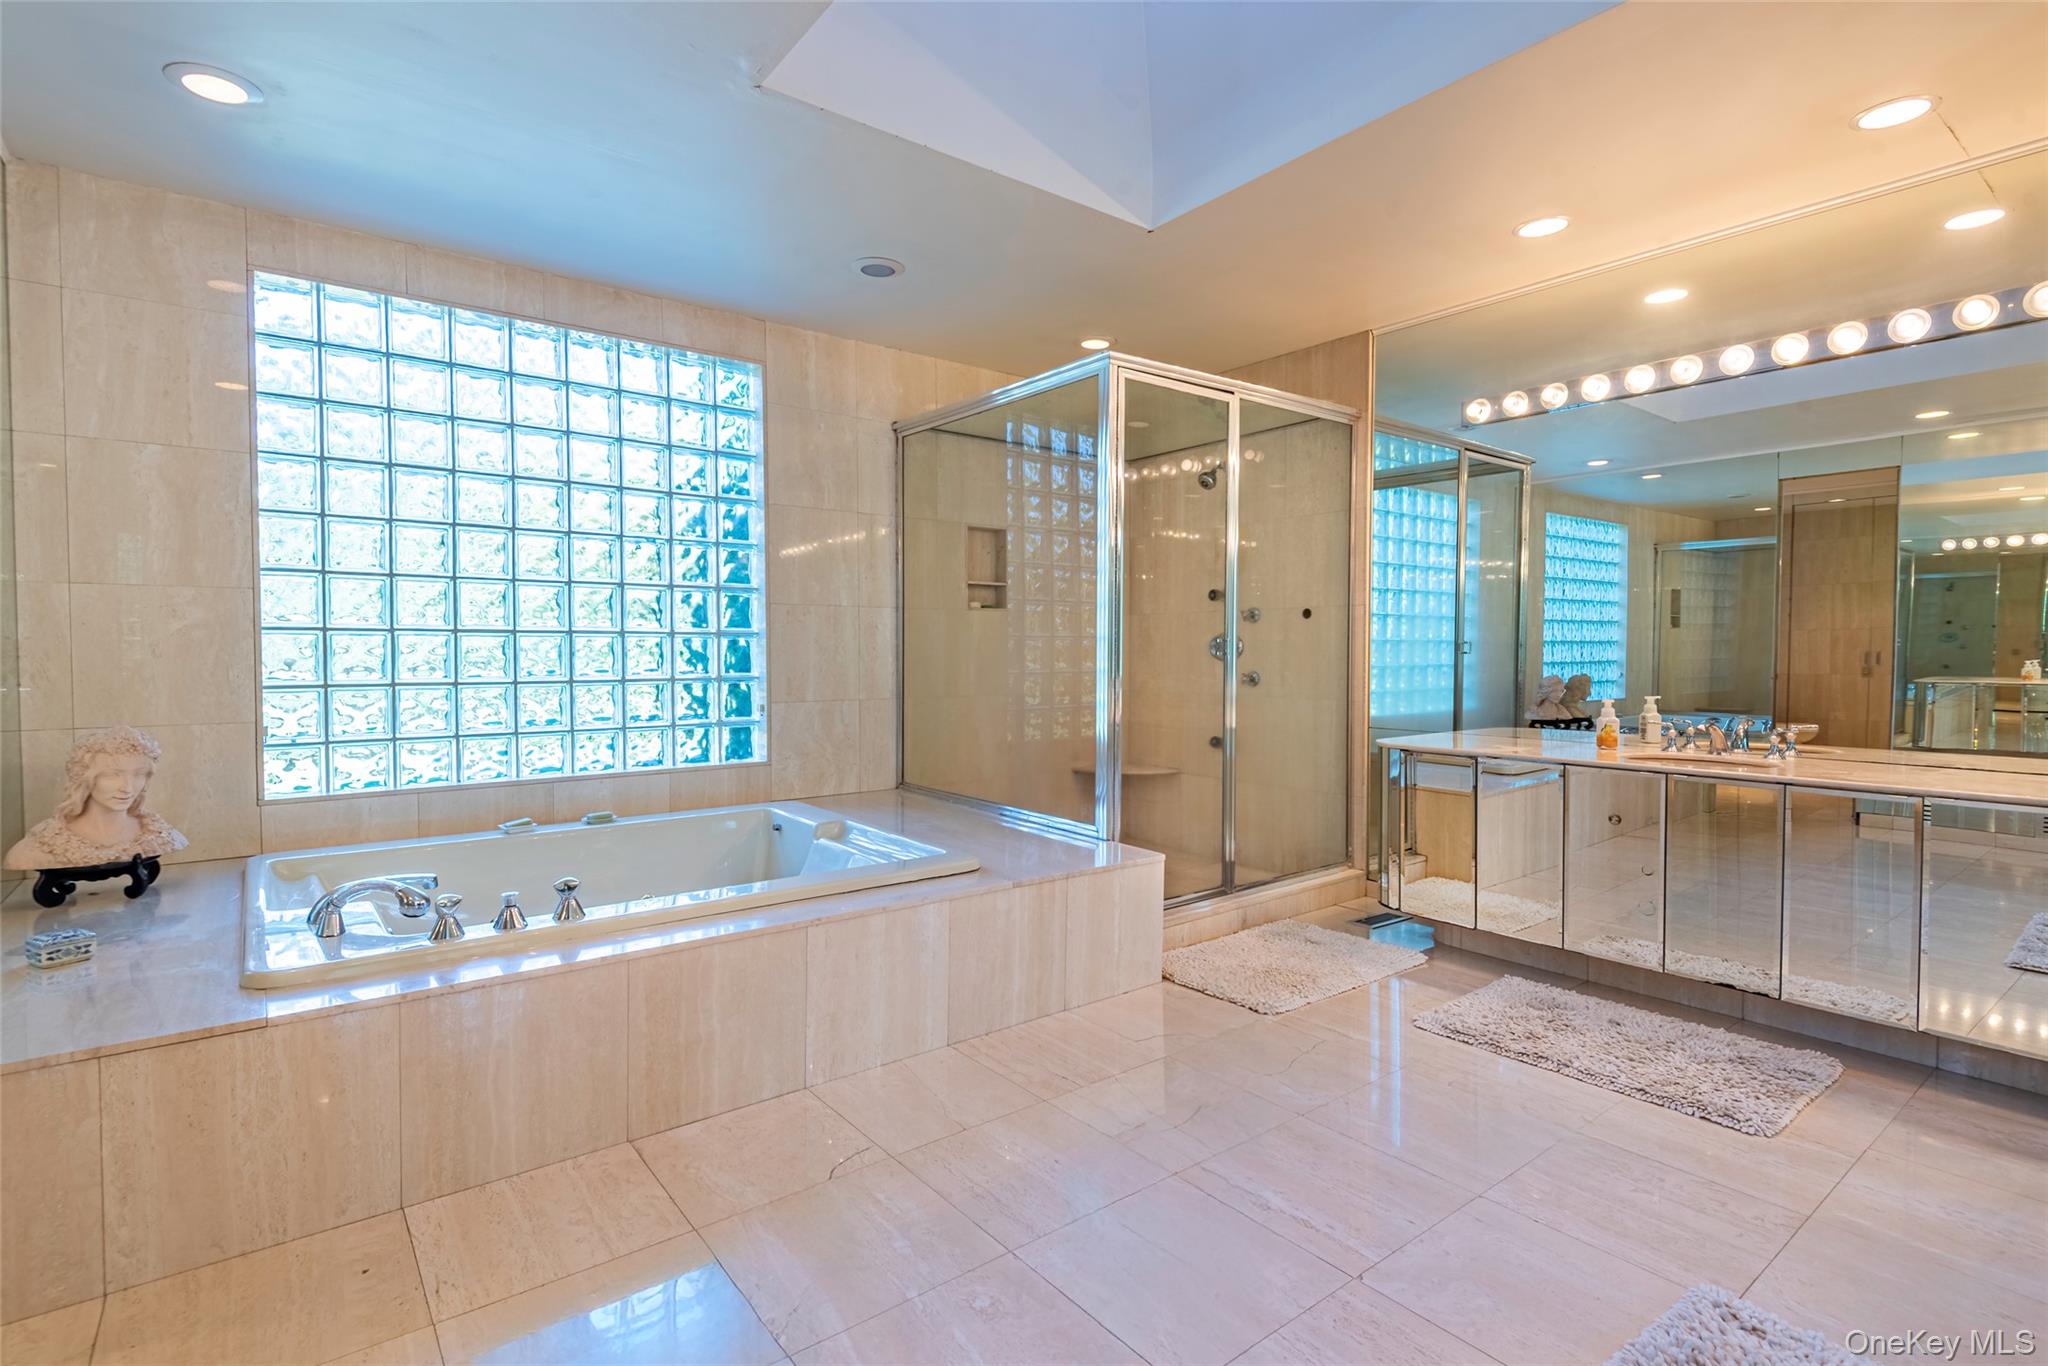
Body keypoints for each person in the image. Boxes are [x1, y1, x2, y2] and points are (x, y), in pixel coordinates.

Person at [4, 726, 188, 870]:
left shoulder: (158, 835)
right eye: (112, 775)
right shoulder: (42, 845)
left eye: (139, 774)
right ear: (84, 778)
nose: (128, 787)